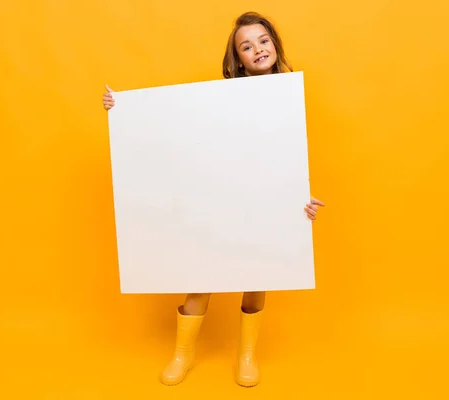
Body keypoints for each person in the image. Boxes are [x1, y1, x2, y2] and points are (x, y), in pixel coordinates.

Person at [102, 11, 325, 387]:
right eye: (247, 46)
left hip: (262, 201)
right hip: (219, 196)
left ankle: (247, 355)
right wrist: (124, 112)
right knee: (201, 270)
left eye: (264, 41)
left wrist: (300, 198)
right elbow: (178, 131)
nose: (258, 49)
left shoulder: (287, 95)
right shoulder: (219, 99)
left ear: (275, 44)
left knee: (259, 273)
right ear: (237, 58)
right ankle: (182, 354)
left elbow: (287, 158)